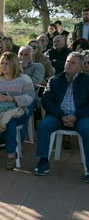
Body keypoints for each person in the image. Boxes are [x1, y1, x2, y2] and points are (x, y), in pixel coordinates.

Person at [33, 52, 89, 183]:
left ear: (81, 66)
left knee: (87, 129)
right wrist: (61, 116)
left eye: (72, 63)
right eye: (67, 61)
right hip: (58, 116)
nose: (68, 64)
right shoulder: (55, 80)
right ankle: (43, 161)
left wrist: (76, 116)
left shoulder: (87, 81)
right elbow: (46, 100)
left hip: (80, 117)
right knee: (43, 125)